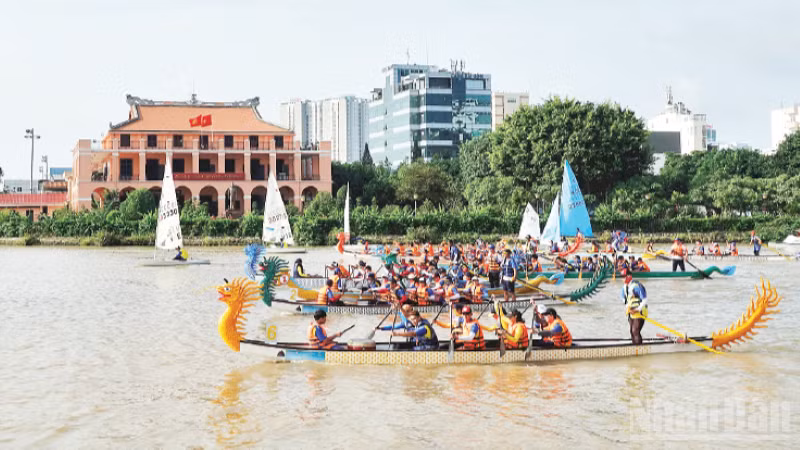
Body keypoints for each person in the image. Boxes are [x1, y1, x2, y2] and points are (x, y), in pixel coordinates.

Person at [621, 269, 647, 345]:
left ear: (629, 276)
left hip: (640, 311)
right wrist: (628, 308)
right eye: (622, 277)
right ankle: (635, 346)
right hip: (631, 312)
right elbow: (624, 300)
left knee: (635, 330)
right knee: (632, 332)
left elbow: (645, 300)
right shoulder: (624, 288)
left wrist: (637, 310)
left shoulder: (637, 286)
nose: (622, 279)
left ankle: (639, 348)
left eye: (624, 276)